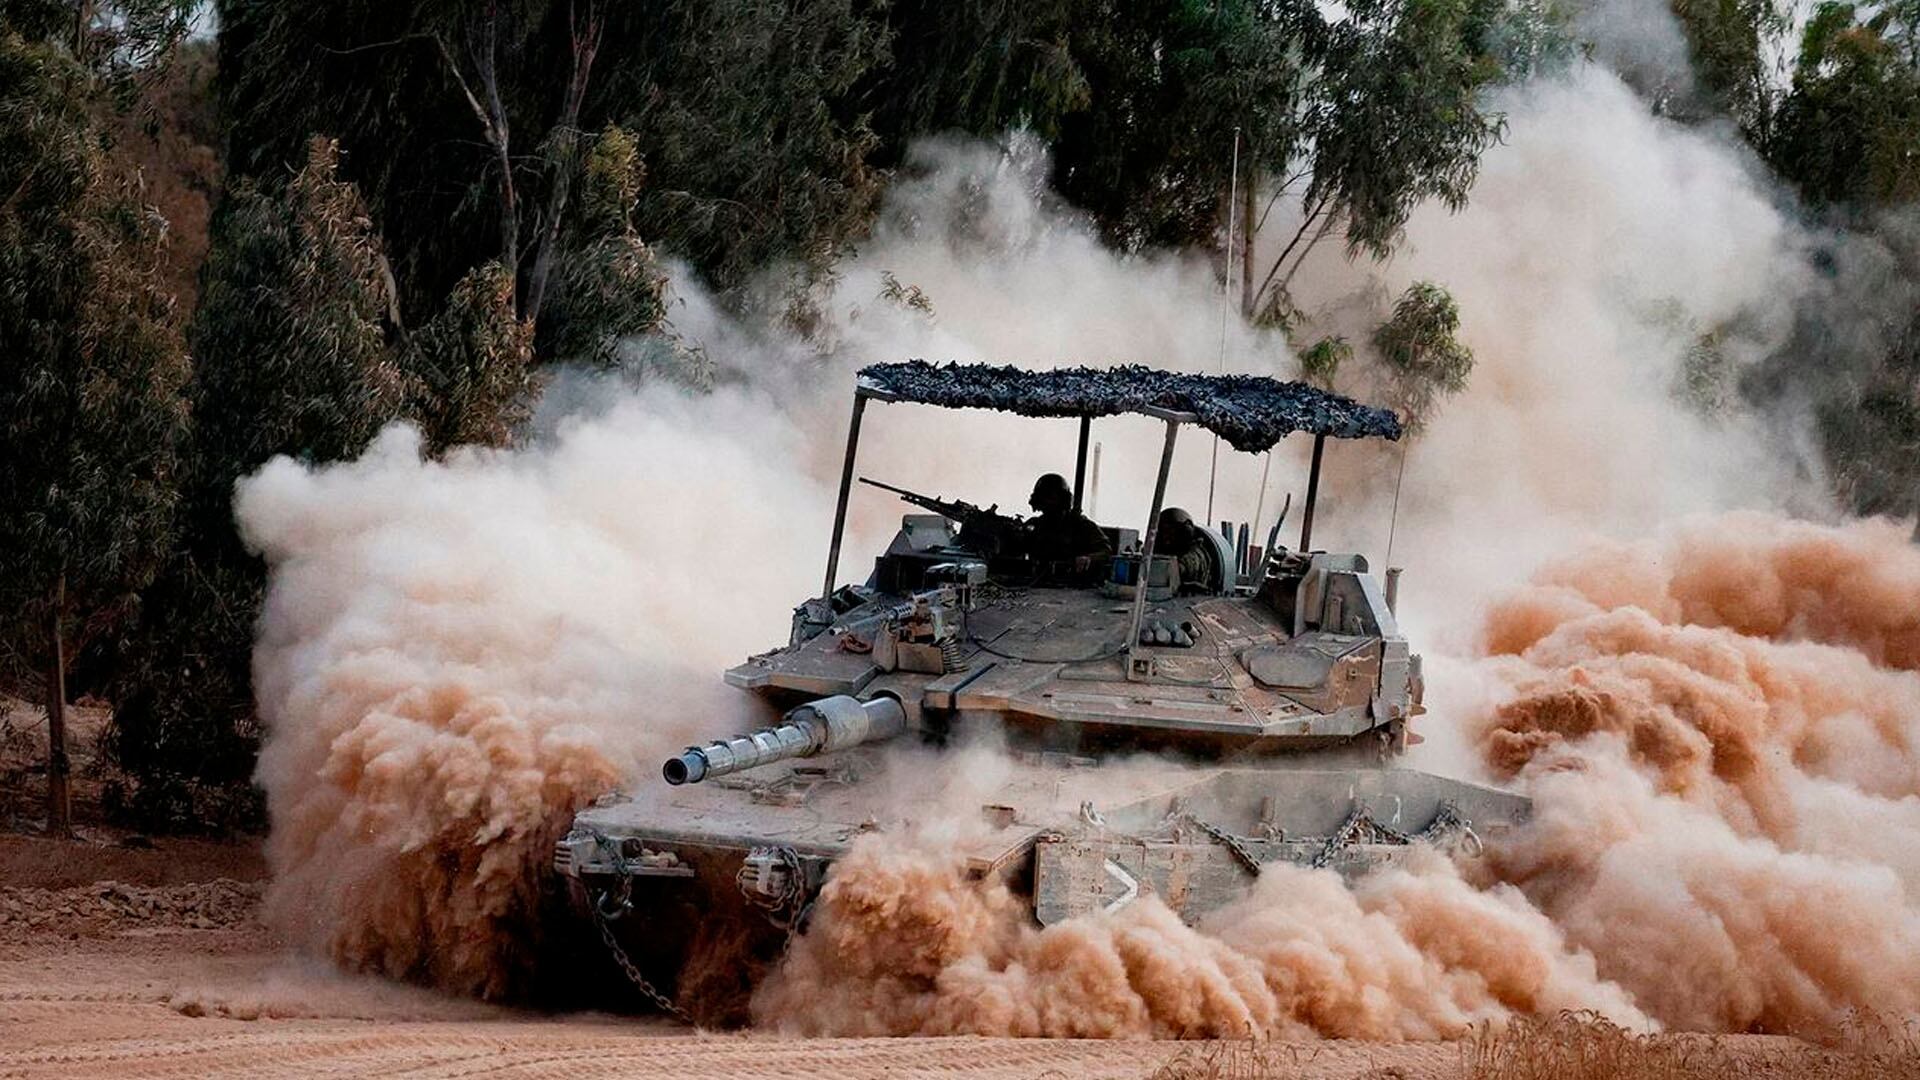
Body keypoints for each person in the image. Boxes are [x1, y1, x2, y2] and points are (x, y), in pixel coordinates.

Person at [1021, 473, 1111, 581]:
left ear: (1063, 499)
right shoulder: (1035, 525)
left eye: (1051, 498)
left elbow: (1106, 551)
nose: (1048, 503)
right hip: (1039, 583)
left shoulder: (1081, 525)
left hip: (1073, 586)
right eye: (1044, 498)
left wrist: (1088, 558)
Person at [1155, 507, 1216, 593]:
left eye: (1171, 532)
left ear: (1184, 532)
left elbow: (1186, 565)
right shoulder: (1165, 551)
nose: (1166, 537)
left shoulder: (1196, 555)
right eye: (1163, 532)